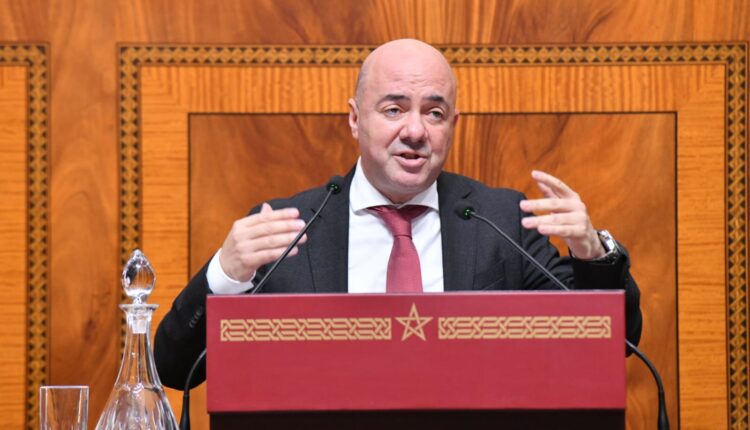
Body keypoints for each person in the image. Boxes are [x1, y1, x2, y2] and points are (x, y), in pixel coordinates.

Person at [154, 39, 642, 389]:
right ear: (354, 119)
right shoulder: (288, 228)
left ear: (453, 125)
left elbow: (613, 344)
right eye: (393, 109)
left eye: (433, 113)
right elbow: (175, 369)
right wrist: (225, 274)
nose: (414, 131)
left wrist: (592, 254)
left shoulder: (501, 221)